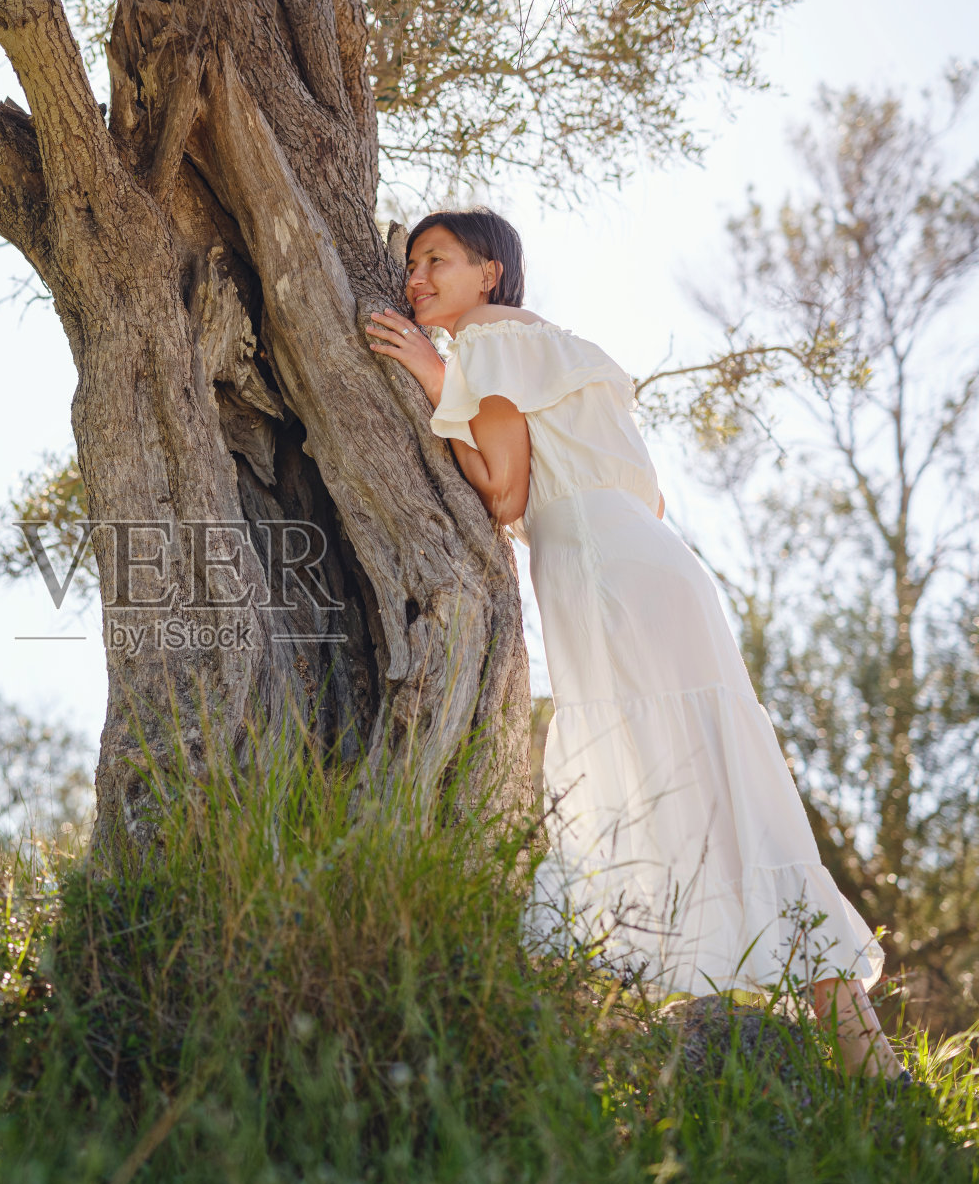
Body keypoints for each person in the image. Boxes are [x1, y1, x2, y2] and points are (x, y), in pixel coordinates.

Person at [364, 207, 905, 1081]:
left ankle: (655, 1038)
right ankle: (870, 1067)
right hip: (649, 561)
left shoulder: (488, 341)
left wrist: (435, 383)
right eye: (411, 266)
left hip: (600, 562)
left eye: (437, 261)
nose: (416, 281)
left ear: (489, 274)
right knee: (725, 784)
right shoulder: (553, 347)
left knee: (648, 775)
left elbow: (503, 495)